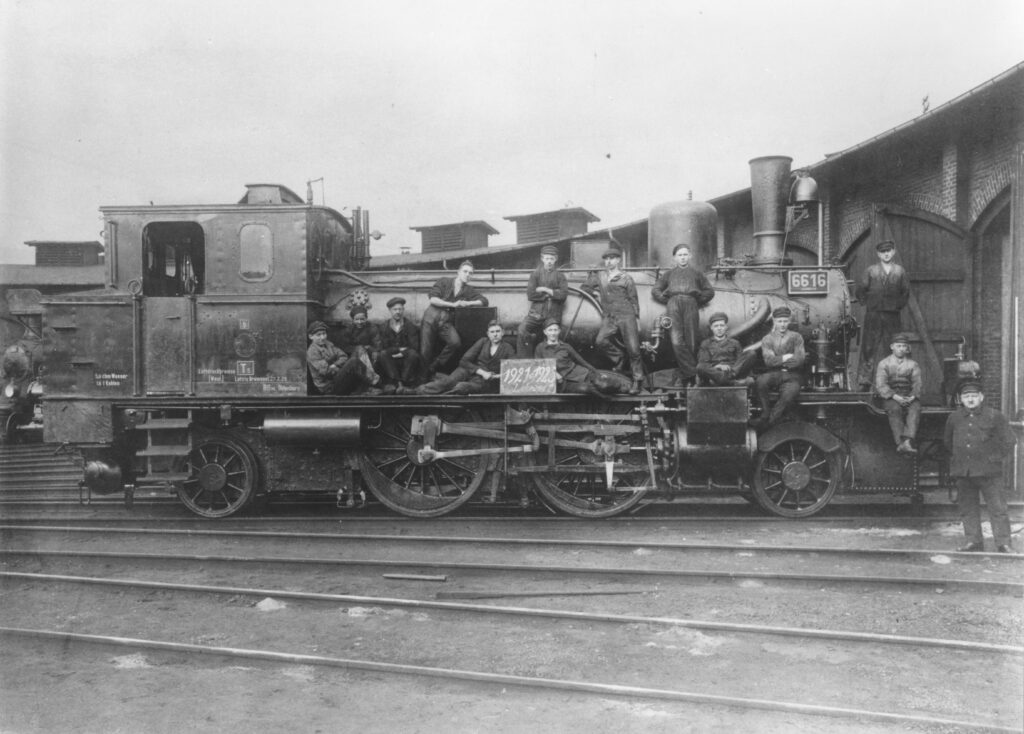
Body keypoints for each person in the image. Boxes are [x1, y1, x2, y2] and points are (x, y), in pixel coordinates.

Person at [943, 381, 1017, 553]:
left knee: (998, 508)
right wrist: (960, 459)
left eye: (974, 396)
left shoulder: (994, 416)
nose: (970, 399)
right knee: (968, 508)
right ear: (960, 399)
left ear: (981, 397)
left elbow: (1009, 440)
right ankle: (973, 541)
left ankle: (1003, 543)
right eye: (966, 396)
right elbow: (948, 442)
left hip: (989, 472)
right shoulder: (954, 418)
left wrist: (994, 458)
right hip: (964, 472)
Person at [652, 243, 715, 386]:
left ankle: (688, 376)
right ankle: (693, 373)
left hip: (691, 304)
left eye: (685, 254)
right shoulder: (668, 274)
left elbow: (709, 291)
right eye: (680, 255)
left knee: (691, 340)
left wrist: (697, 301)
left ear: (690, 256)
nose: (683, 257)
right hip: (673, 305)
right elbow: (656, 290)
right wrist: (667, 301)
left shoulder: (697, 273)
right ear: (675, 258)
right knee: (676, 340)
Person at [582, 248, 644, 395]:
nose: (609, 261)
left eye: (612, 258)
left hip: (626, 315)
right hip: (610, 316)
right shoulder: (600, 276)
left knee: (634, 349)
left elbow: (633, 300)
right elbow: (585, 287)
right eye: (606, 259)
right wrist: (596, 293)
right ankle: (619, 357)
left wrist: (637, 319)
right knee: (600, 341)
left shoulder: (626, 278)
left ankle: (638, 380)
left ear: (618, 260)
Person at [855, 239, 910, 391]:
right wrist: (869, 303)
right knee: (868, 347)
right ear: (878, 254)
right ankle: (864, 382)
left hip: (892, 316)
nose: (886, 254)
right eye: (883, 252)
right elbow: (860, 290)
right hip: (873, 315)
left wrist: (897, 306)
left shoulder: (899, 271)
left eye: (888, 251)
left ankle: (894, 381)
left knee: (893, 347)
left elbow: (905, 293)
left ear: (893, 252)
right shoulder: (871, 271)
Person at [405, 320, 515, 395]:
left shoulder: (508, 348)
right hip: (469, 370)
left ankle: (439, 394)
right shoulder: (483, 342)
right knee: (448, 382)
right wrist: (482, 372)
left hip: (483, 382)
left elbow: (513, 372)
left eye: (497, 331)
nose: (495, 334)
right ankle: (415, 392)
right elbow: (464, 361)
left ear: (502, 333)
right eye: (492, 332)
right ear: (488, 334)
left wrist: (494, 376)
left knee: (461, 387)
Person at [420, 260, 489, 376]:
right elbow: (433, 299)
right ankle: (422, 378)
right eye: (465, 271)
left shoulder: (468, 290)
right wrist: (453, 304)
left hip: (446, 322)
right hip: (430, 318)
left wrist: (468, 303)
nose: (467, 275)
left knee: (455, 343)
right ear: (458, 272)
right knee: (425, 351)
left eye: (470, 273)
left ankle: (434, 366)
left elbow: (484, 301)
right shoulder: (444, 281)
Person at [750, 306, 805, 430]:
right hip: (774, 374)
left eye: (785, 321)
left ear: (789, 321)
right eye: (780, 321)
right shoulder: (767, 339)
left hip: (792, 376)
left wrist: (778, 360)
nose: (782, 324)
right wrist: (786, 357)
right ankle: (765, 414)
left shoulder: (797, 337)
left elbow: (799, 359)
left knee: (789, 394)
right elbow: (769, 361)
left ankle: (770, 421)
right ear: (774, 321)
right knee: (760, 381)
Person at [517, 245, 569, 357]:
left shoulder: (560, 276)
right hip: (536, 314)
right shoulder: (535, 275)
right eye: (547, 258)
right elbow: (531, 295)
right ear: (542, 258)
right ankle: (524, 360)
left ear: (555, 259)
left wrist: (545, 289)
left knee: (551, 338)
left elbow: (563, 295)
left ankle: (550, 364)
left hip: (553, 315)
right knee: (522, 330)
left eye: (551, 258)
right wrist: (552, 294)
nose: (549, 261)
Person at [874, 332, 922, 454]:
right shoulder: (884, 363)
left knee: (915, 409)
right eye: (898, 346)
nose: (901, 349)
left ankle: (907, 442)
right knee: (895, 409)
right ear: (892, 347)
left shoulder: (913, 364)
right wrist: (895, 397)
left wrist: (912, 397)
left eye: (904, 346)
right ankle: (900, 443)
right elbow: (881, 385)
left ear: (907, 348)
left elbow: (917, 384)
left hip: (909, 396)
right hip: (891, 398)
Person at [306, 321, 379, 395]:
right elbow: (327, 372)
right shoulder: (312, 352)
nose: (322, 337)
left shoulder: (328, 344)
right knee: (353, 362)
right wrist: (344, 368)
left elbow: (344, 356)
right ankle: (376, 383)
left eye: (324, 334)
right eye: (318, 335)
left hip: (338, 375)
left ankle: (367, 385)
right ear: (310, 336)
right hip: (330, 387)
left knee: (359, 348)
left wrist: (335, 365)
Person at [534, 318, 601, 394]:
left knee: (601, 383)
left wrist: (597, 372)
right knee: (587, 389)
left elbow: (582, 361)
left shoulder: (566, 346)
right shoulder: (540, 348)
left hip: (578, 373)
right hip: (562, 382)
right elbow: (539, 366)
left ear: (559, 331)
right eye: (550, 330)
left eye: (555, 330)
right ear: (545, 332)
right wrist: (555, 374)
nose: (553, 333)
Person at [696, 312, 757, 386]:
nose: (719, 328)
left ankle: (726, 379)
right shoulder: (706, 343)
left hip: (731, 371)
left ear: (726, 327)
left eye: (721, 325)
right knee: (700, 367)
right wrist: (718, 366)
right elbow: (703, 363)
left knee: (751, 353)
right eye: (716, 326)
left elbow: (740, 362)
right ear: (711, 328)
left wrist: (732, 370)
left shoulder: (735, 343)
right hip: (715, 372)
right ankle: (727, 380)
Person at [377, 297, 422, 393]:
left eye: (400, 309)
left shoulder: (410, 326)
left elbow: (414, 346)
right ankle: (397, 383)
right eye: (395, 309)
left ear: (403, 310)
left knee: (413, 354)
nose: (398, 312)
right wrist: (399, 350)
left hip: (406, 358)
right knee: (382, 354)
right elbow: (383, 346)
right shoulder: (384, 327)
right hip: (390, 358)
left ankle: (405, 383)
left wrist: (402, 353)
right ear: (390, 310)